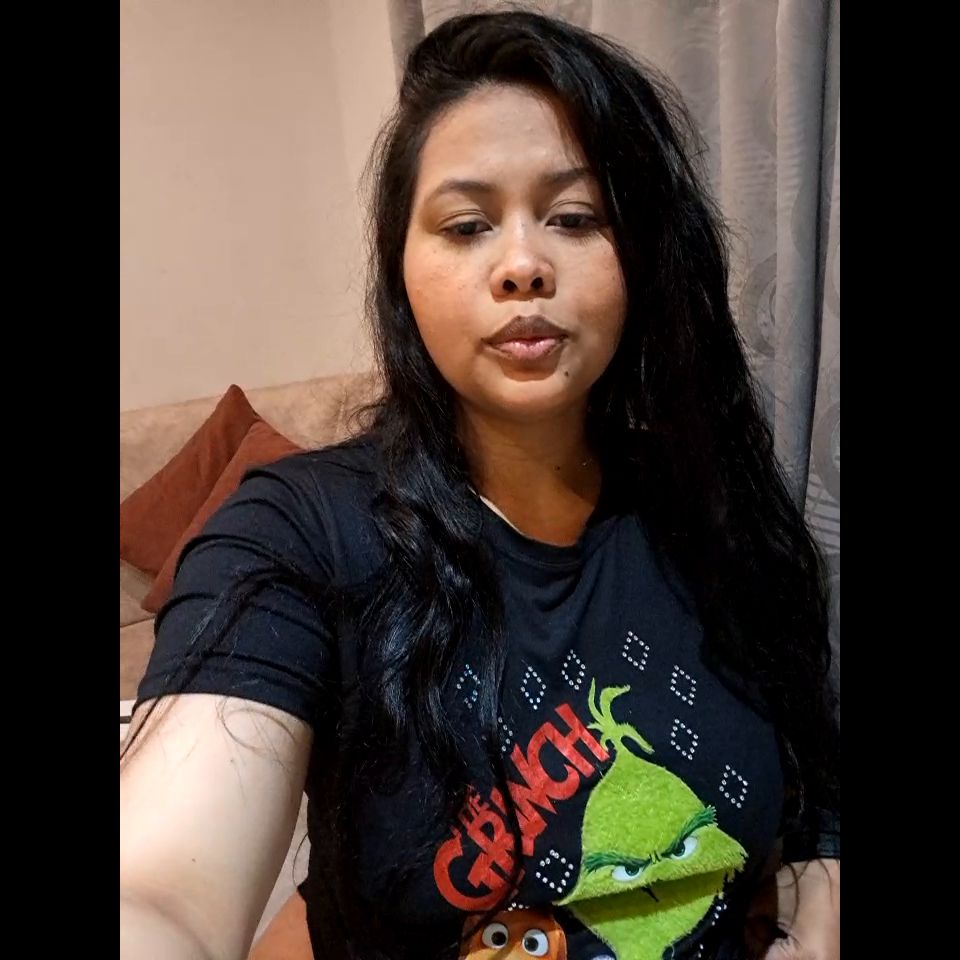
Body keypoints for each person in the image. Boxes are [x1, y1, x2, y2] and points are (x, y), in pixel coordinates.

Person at [119, 10, 840, 960]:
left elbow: (816, 778)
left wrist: (817, 918)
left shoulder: (716, 505)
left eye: (575, 218)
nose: (522, 266)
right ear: (403, 272)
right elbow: (160, 888)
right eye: (465, 226)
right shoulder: (300, 532)